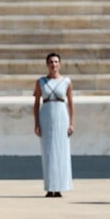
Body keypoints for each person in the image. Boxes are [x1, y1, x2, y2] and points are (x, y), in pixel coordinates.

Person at [33, 52, 74, 198]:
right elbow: (36, 103)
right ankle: (50, 187)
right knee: (48, 152)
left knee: (62, 152)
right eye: (51, 62)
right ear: (47, 64)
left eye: (56, 62)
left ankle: (61, 186)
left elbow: (70, 103)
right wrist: (37, 123)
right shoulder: (41, 82)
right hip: (46, 115)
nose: (54, 65)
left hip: (61, 115)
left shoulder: (66, 81)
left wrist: (72, 123)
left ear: (60, 64)